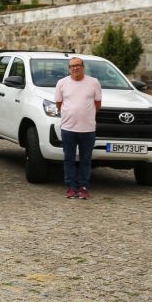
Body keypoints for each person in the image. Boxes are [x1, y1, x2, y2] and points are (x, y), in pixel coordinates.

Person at [55, 57, 102, 200]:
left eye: (78, 65)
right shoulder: (62, 83)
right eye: (72, 66)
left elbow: (97, 104)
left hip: (87, 129)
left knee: (85, 160)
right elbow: (59, 103)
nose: (75, 68)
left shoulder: (93, 82)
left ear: (83, 67)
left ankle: (83, 187)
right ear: (69, 69)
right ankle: (71, 187)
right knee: (68, 159)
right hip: (68, 128)